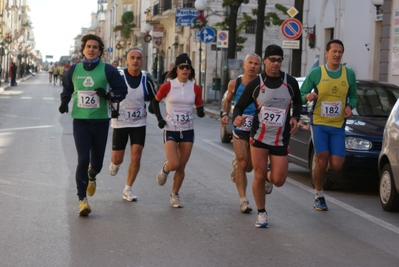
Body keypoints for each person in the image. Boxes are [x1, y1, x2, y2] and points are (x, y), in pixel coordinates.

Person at [233, 44, 302, 228]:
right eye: (272, 60)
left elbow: (298, 103)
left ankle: (267, 179)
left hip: (280, 138)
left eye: (279, 60)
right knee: (259, 174)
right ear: (265, 61)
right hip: (259, 137)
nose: (276, 63)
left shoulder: (290, 82)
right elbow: (239, 106)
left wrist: (295, 117)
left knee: (278, 180)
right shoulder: (257, 83)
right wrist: (237, 117)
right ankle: (261, 213)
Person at [58, 34, 127, 216]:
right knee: (82, 159)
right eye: (88, 46)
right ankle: (82, 200)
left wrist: (108, 96)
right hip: (80, 122)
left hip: (100, 122)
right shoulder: (74, 70)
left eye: (95, 47)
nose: (91, 49)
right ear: (83, 49)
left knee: (96, 164)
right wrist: (65, 101)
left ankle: (92, 175)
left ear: (100, 51)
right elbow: (67, 88)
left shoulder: (108, 70)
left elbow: (122, 90)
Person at [300, 39, 357, 211]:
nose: (337, 55)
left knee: (337, 164)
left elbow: (353, 96)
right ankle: (319, 195)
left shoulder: (349, 74)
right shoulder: (317, 73)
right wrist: (307, 97)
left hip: (338, 125)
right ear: (326, 53)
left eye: (340, 52)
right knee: (322, 156)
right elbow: (301, 93)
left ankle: (320, 165)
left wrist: (349, 106)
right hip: (319, 122)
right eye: (334, 51)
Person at [152, 53, 204, 208]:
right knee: (174, 163)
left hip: (187, 130)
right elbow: (154, 103)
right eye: (182, 67)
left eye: (188, 67)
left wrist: (201, 111)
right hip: (171, 129)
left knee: (181, 166)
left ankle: (175, 194)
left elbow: (200, 106)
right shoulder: (168, 85)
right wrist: (160, 119)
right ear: (176, 69)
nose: (185, 70)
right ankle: (165, 168)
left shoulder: (195, 88)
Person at [221, 53, 269, 214]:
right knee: (243, 163)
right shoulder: (235, 83)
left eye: (256, 64)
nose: (253, 66)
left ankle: (237, 166)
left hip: (257, 126)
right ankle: (243, 200)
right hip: (240, 126)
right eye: (250, 63)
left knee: (250, 166)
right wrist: (225, 114)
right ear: (244, 65)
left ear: (260, 67)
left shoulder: (264, 84)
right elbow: (228, 100)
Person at [109, 48, 156, 201]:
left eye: (138, 58)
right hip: (120, 122)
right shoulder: (118, 77)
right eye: (132, 58)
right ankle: (115, 164)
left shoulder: (146, 78)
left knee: (136, 157)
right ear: (127, 61)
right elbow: (108, 94)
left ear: (142, 61)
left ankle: (128, 189)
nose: (135, 61)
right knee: (117, 159)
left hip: (138, 123)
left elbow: (154, 98)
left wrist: (156, 111)